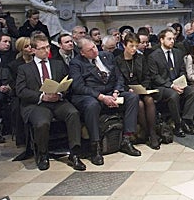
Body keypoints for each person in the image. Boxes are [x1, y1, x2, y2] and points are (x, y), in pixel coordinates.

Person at [15, 33, 86, 171]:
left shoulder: (58, 64)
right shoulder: (24, 69)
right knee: (42, 122)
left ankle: (75, 153)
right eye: (42, 48)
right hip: (37, 104)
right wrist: (42, 96)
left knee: (73, 113)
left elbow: (67, 83)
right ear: (33, 50)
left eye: (47, 47)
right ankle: (43, 154)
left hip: (57, 100)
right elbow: (21, 91)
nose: (46, 51)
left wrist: (60, 92)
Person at [69, 38, 141, 166]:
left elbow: (118, 77)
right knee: (92, 105)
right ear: (82, 53)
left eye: (94, 47)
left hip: (110, 92)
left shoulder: (106, 55)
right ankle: (95, 146)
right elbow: (78, 87)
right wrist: (101, 97)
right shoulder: (76, 63)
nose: (94, 50)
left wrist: (116, 92)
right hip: (91, 95)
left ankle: (126, 139)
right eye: (90, 50)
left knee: (132, 97)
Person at [147, 28, 194, 137]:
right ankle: (177, 124)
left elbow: (182, 70)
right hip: (162, 86)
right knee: (173, 95)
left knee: (192, 92)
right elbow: (155, 76)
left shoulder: (178, 53)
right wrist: (171, 85)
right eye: (169, 39)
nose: (172, 41)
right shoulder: (154, 56)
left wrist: (180, 82)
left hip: (177, 83)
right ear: (161, 40)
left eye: (173, 39)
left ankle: (186, 120)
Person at [115, 33, 160, 149]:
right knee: (139, 104)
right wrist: (127, 89)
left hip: (140, 88)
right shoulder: (117, 60)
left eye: (136, 46)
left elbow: (147, 76)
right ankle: (148, 133)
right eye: (131, 46)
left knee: (149, 100)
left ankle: (152, 134)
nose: (134, 49)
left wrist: (142, 87)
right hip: (127, 91)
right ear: (124, 45)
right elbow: (117, 80)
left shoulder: (140, 58)